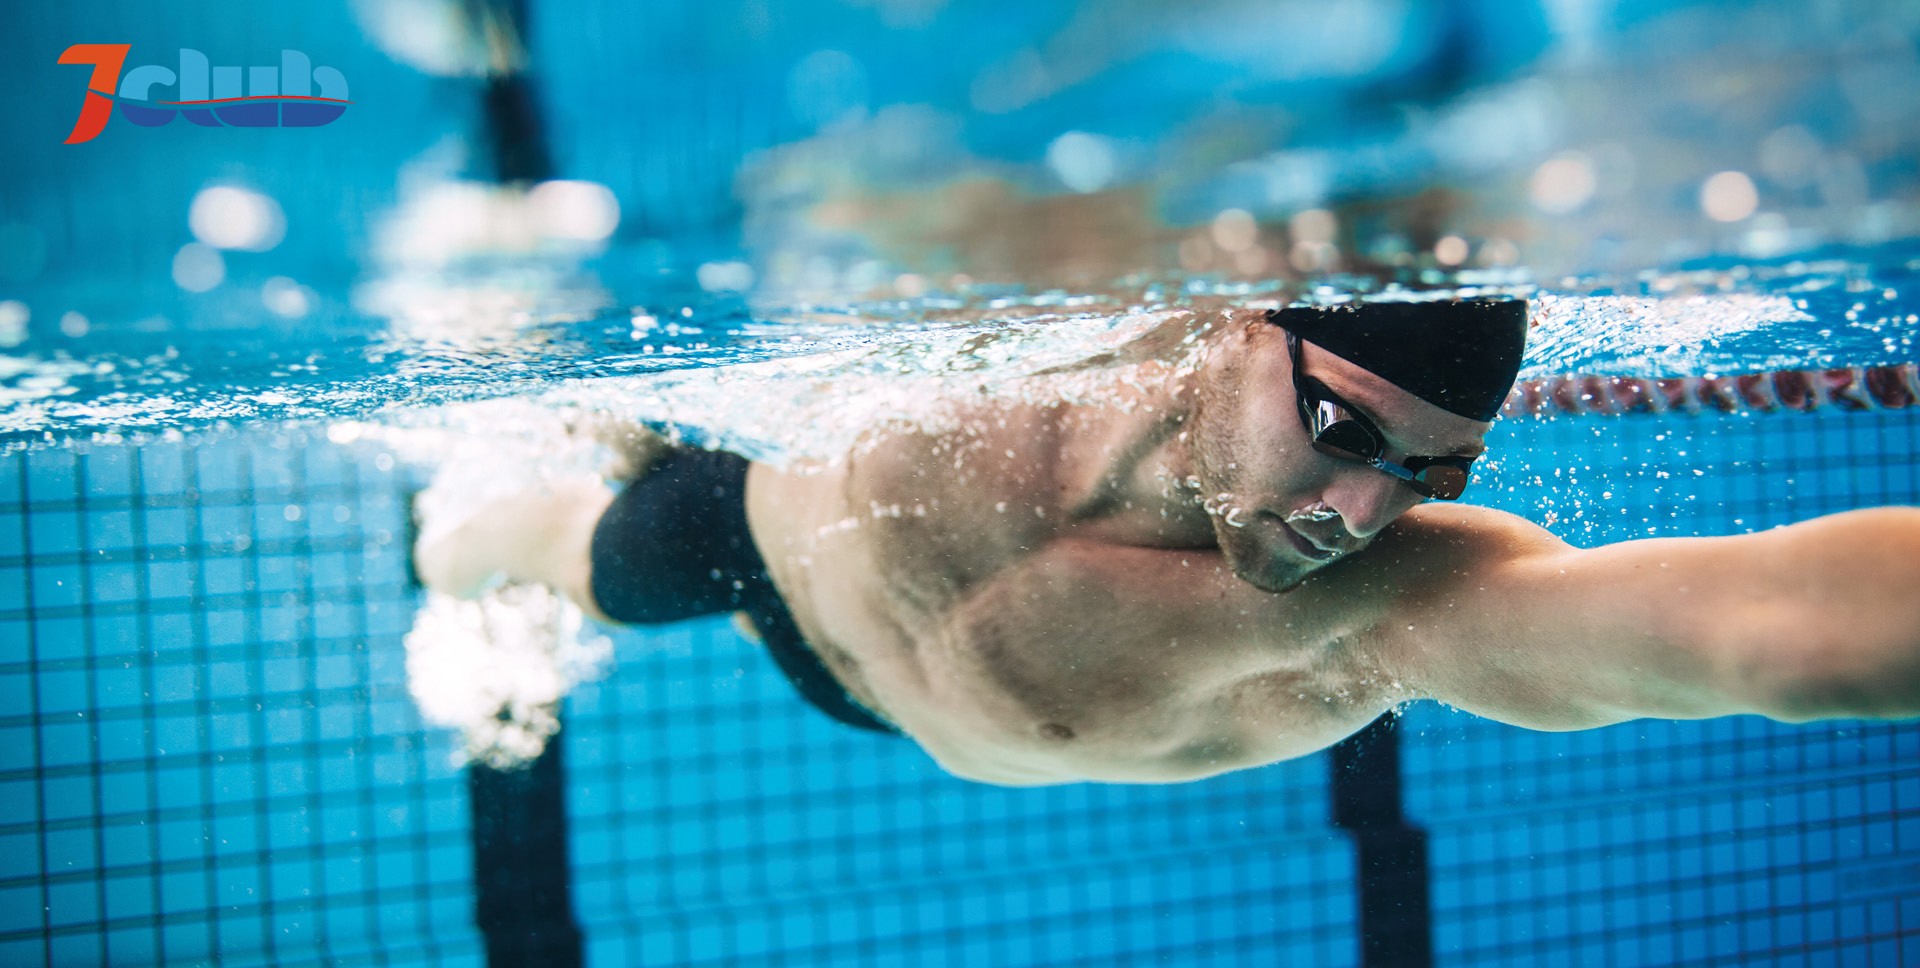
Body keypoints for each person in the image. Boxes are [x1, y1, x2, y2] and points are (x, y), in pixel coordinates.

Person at [414, 298, 1920, 785]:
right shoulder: (1043, 324)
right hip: (751, 533)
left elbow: (1765, 627)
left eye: (1429, 475)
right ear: (1226, 330)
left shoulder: (1385, 614)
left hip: (871, 684)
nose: (1362, 517)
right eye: (1341, 436)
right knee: (493, 544)